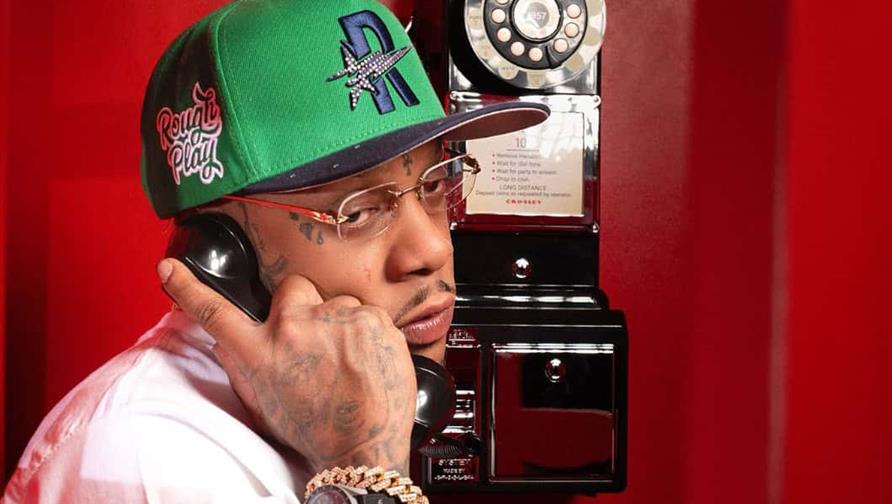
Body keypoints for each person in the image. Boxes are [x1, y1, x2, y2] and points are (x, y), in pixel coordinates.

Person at [3, 0, 547, 502]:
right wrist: (367, 469)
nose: (430, 248)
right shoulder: (146, 455)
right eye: (357, 212)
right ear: (221, 255)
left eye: (432, 185)